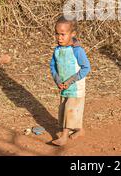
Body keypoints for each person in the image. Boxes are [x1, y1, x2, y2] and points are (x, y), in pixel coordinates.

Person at [50, 16, 91, 146]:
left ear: (72, 34)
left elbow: (86, 68)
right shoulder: (57, 51)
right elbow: (52, 66)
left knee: (69, 110)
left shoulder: (77, 51)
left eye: (63, 34)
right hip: (64, 87)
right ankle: (80, 130)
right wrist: (58, 80)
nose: (59, 37)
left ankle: (64, 136)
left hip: (76, 87)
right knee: (64, 110)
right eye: (57, 34)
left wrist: (70, 81)